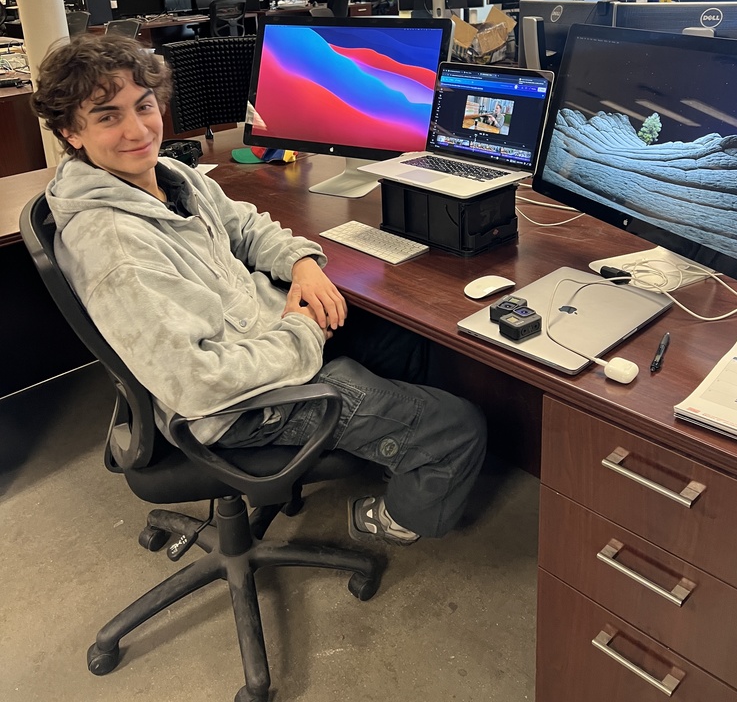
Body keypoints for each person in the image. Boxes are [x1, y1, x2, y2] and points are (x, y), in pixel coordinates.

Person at [31, 35, 486, 547]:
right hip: (241, 406)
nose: (137, 130)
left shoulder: (165, 175)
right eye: (108, 116)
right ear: (71, 131)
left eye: (144, 106)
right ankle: (393, 518)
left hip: (266, 338)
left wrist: (302, 264)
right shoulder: (116, 248)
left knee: (402, 337)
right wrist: (302, 330)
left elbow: (245, 226)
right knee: (456, 428)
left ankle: (389, 446)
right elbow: (199, 384)